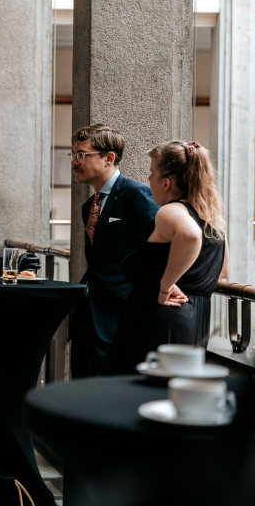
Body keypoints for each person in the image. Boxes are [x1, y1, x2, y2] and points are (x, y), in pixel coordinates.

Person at [99, 141, 229, 376]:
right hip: (195, 320)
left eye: (151, 173)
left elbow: (190, 235)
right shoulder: (212, 218)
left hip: (159, 319)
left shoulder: (171, 211)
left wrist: (166, 286)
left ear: (166, 183)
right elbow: (223, 270)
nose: (149, 179)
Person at [67, 124, 159, 378]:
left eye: (82, 154)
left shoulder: (137, 195)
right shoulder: (89, 205)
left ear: (108, 158)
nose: (74, 161)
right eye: (73, 154)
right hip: (88, 315)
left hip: (120, 317)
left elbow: (163, 249)